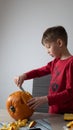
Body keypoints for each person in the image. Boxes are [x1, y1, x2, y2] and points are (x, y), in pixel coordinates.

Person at [14, 25, 73, 114]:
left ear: (59, 43)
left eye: (48, 47)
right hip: (53, 112)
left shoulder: (71, 63)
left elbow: (70, 92)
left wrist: (46, 99)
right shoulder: (55, 62)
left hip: (66, 115)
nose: (47, 51)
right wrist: (24, 76)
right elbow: (39, 72)